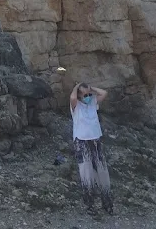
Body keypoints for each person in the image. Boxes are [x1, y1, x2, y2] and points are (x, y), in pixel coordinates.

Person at [69, 81, 113, 214]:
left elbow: (104, 93)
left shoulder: (93, 102)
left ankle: (108, 204)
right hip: (81, 142)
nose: (88, 96)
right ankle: (90, 206)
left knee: (102, 172)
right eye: (85, 94)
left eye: (89, 94)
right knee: (86, 174)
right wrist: (77, 86)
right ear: (79, 95)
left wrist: (90, 88)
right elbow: (72, 98)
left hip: (95, 140)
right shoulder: (76, 106)